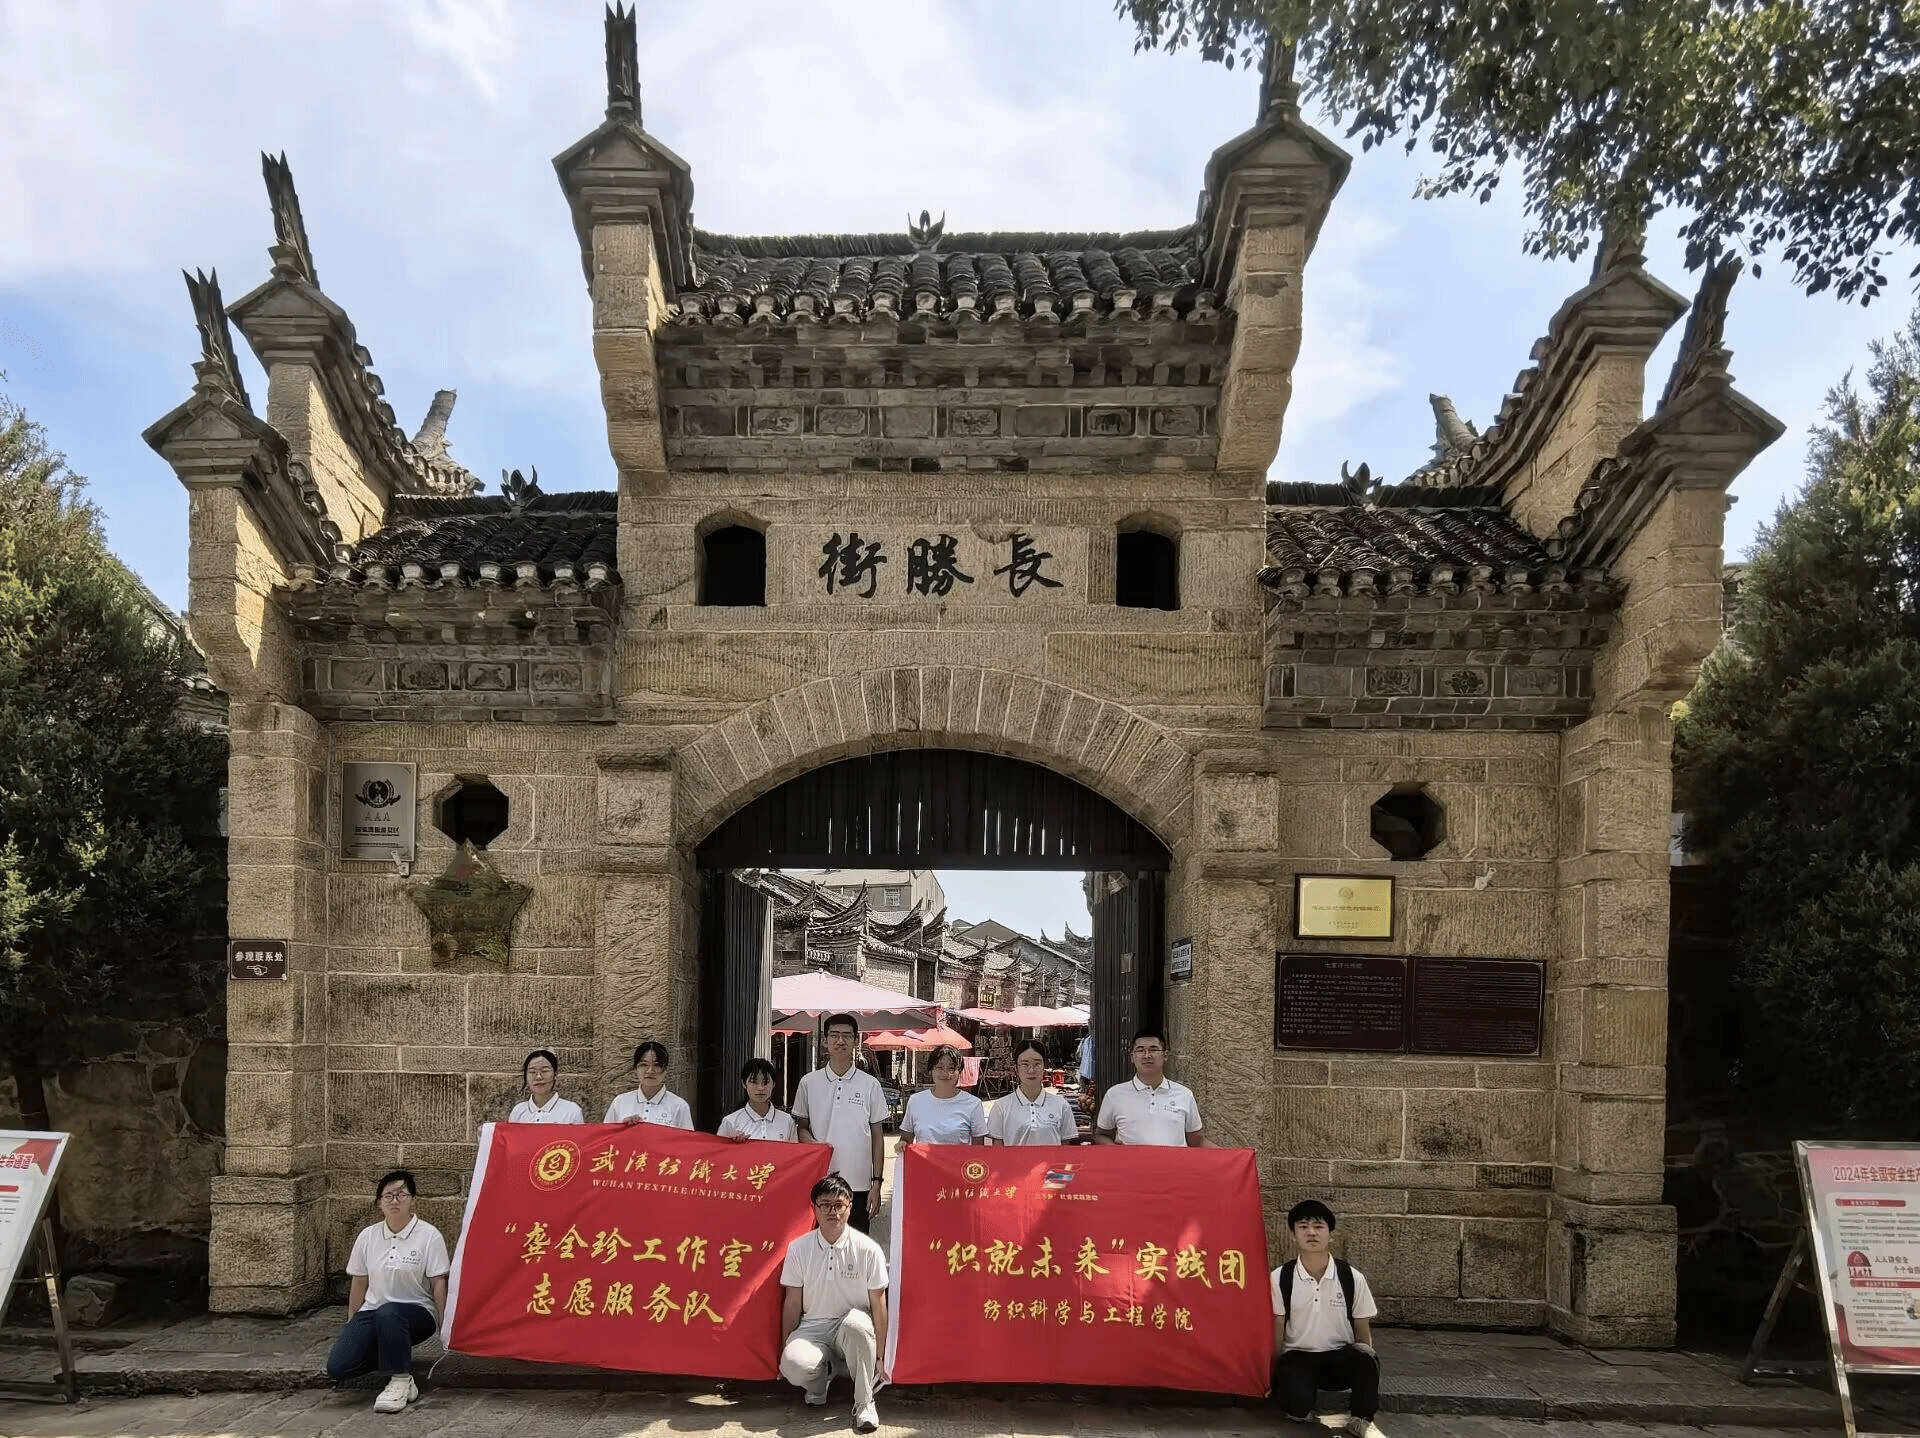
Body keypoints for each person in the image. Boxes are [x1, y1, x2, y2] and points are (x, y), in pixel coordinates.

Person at [325, 1170, 451, 1413]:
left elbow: (438, 1283)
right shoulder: (368, 1236)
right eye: (388, 1196)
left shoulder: (429, 1236)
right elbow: (359, 1282)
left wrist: (444, 1325)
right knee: (339, 1366)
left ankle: (400, 1380)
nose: (395, 1201)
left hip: (417, 1313)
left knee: (390, 1312)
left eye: (401, 1195)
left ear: (412, 1199)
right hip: (373, 1312)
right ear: (379, 1203)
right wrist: (352, 1323)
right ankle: (395, 1357)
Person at [779, 1174, 890, 1434]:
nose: (833, 1212)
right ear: (814, 1208)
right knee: (793, 1364)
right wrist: (785, 1345)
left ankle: (864, 1403)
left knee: (857, 1324)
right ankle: (819, 1384)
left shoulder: (868, 1249)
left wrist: (880, 1356)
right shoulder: (798, 1249)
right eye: (825, 1205)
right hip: (813, 1328)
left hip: (851, 1328)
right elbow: (792, 1302)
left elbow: (878, 1304)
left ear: (850, 1207)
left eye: (839, 1205)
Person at [1271, 1199, 1380, 1437]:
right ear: (1293, 1235)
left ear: (1330, 1234)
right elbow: (1278, 1326)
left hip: (1338, 1356)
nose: (1311, 1232)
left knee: (1366, 1358)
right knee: (1297, 1410)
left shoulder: (1352, 1277)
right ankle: (1297, 1402)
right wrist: (1275, 1372)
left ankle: (1361, 1419)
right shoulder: (1280, 1278)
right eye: (1303, 1227)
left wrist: (1367, 1365)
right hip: (1299, 1358)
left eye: (1318, 1226)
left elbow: (1362, 1327)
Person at [792, 1013, 888, 1232]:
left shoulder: (870, 1085)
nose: (840, 1041)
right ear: (825, 1040)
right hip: (819, 1183)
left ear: (856, 1040)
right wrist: (815, 1145)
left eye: (847, 1036)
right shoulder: (808, 1083)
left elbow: (877, 1136)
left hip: (858, 1185)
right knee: (819, 1246)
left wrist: (877, 1183)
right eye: (834, 1035)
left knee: (855, 1247)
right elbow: (801, 1127)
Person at [1093, 1027, 1209, 1146]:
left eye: (1153, 1049)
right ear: (1132, 1057)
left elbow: (1197, 1141)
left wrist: (1222, 1155)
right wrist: (1118, 1153)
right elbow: (1101, 1135)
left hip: (1174, 1159)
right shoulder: (1114, 1094)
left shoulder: (1184, 1095)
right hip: (1130, 1159)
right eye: (1140, 1050)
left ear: (1165, 1055)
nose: (1147, 1055)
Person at [987, 1041, 1080, 1145]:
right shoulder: (1001, 1107)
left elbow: (1065, 1148)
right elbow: (998, 1150)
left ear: (1044, 1067)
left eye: (1037, 1064)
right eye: (1025, 1064)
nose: (1031, 1070)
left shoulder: (1061, 1105)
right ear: (1016, 1068)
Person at [899, 1046, 987, 1145]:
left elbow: (978, 1147)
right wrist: (902, 1144)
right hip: (924, 1156)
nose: (945, 1074)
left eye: (951, 1068)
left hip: (959, 1156)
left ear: (959, 1072)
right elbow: (906, 1138)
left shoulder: (973, 1104)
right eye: (940, 1067)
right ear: (931, 1070)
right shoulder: (916, 1100)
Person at [604, 1041, 693, 1127]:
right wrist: (623, 1128)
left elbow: (686, 1137)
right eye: (644, 1065)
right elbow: (606, 1135)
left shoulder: (679, 1106)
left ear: (665, 1070)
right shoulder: (620, 1102)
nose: (650, 1071)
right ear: (635, 1069)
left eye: (657, 1065)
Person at [718, 1056, 798, 1141]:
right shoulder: (730, 1122)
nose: (760, 1088)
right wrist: (733, 1145)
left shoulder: (787, 1121)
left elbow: (794, 1149)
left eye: (766, 1082)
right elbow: (719, 1149)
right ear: (744, 1083)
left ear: (773, 1084)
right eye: (754, 1082)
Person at [507, 1049, 584, 1124]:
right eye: (532, 1072)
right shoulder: (518, 1111)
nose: (538, 1077)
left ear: (555, 1074)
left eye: (544, 1071)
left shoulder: (571, 1111)